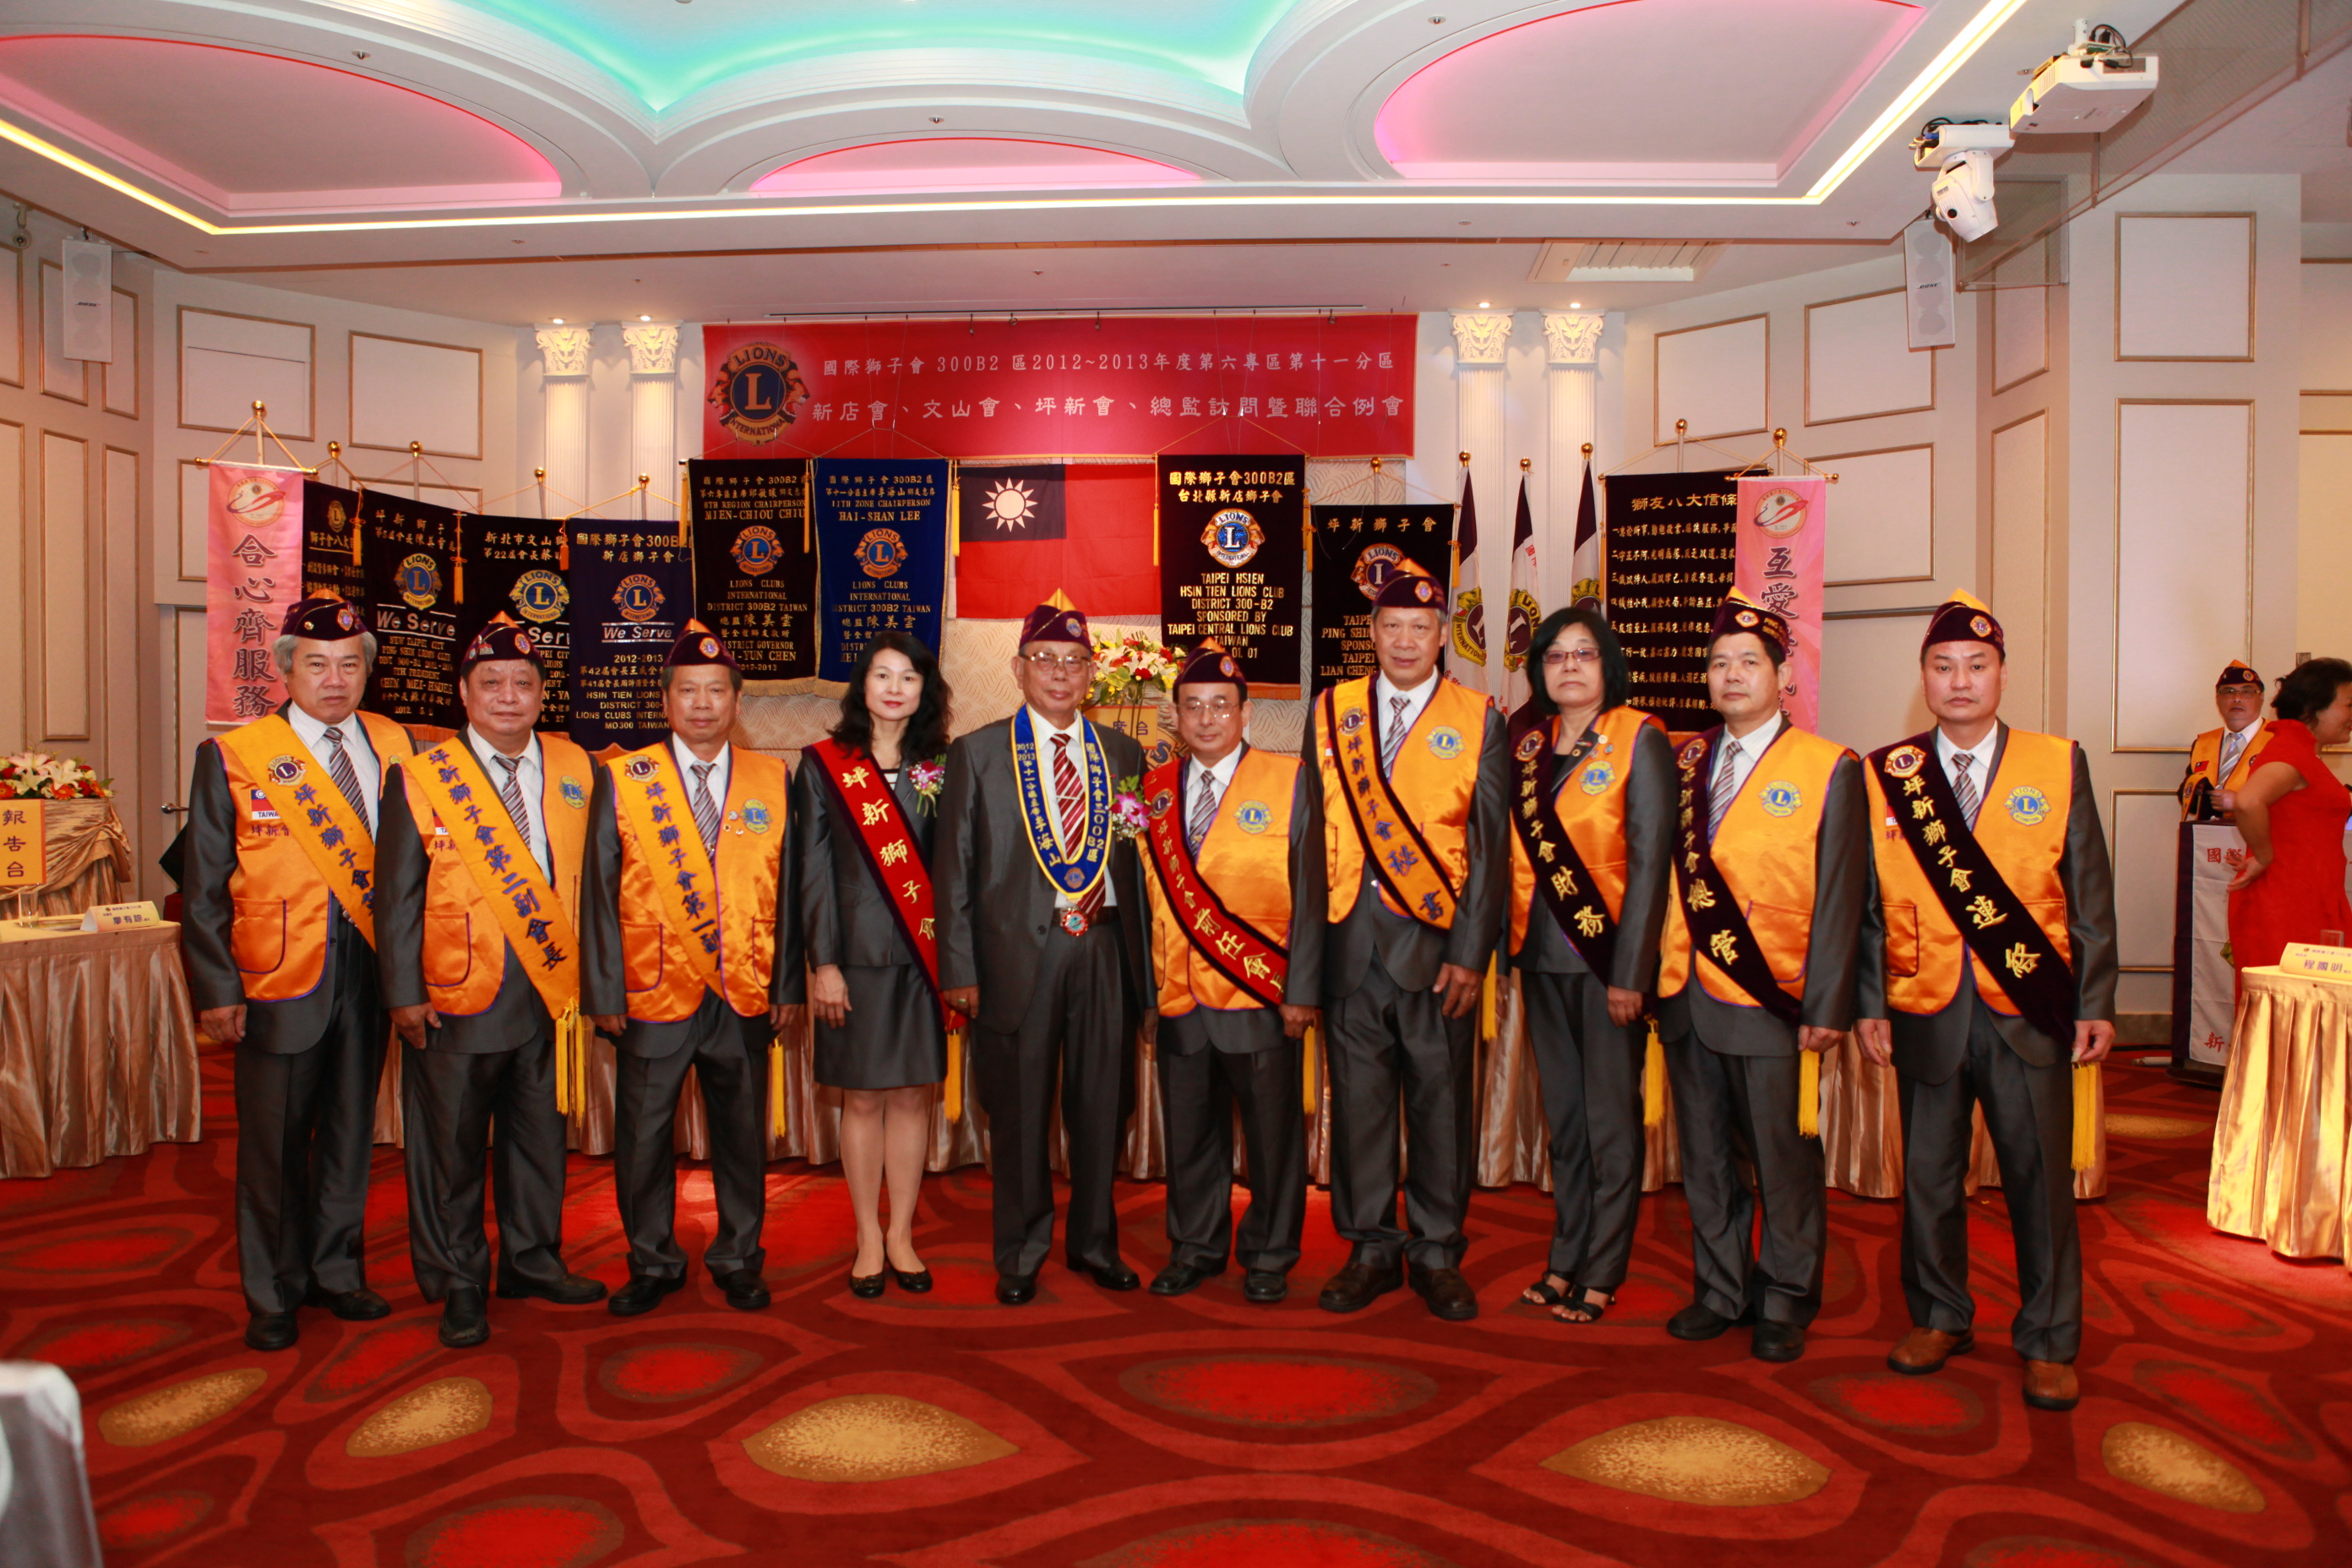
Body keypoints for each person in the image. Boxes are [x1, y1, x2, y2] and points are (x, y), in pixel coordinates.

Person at [1855, 589, 2117, 1413]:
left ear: (2003, 673)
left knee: (2040, 1183)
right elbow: (1867, 904)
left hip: (2028, 1008)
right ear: (1924, 677)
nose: (1960, 680)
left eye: (1977, 665)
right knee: (1928, 1178)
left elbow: (2090, 892)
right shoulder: (1887, 773)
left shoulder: (2057, 762)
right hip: (1924, 1004)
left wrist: (2096, 999)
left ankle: (2048, 1339)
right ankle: (1939, 1316)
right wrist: (1869, 1001)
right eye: (1943, 666)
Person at [182, 595, 414, 1351]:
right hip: (276, 977)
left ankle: (336, 1272)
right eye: (316, 664)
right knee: (275, 1143)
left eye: (350, 665)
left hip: (371, 968)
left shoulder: (396, 745)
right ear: (285, 670)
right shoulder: (236, 755)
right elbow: (204, 888)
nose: (335, 679)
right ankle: (274, 1291)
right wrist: (217, 989)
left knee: (349, 1131)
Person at [376, 617, 607, 1346]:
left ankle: (533, 1259)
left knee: (539, 1136)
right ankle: (458, 1281)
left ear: (542, 693)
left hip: (552, 994)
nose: (508, 696)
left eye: (523, 683)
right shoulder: (421, 777)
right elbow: (397, 896)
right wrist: (402, 992)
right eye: (492, 682)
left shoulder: (577, 767)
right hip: (455, 994)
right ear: (464, 693)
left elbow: (601, 883)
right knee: (450, 1149)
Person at [1656, 591, 1868, 1364]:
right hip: (1686, 993)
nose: (1732, 675)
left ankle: (1785, 1295)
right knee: (1706, 1158)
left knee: (1782, 1159)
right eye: (1719, 663)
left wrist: (1829, 1005)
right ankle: (1721, 1289)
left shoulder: (1829, 767)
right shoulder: (1681, 761)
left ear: (1783, 677)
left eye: (1749, 662)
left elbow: (1844, 895)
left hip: (1774, 997)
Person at [581, 621, 803, 1318]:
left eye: (716, 691)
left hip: (746, 987)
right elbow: (598, 893)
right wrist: (602, 990)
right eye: (688, 691)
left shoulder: (774, 777)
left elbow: (792, 893)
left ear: (736, 701)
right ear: (666, 701)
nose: (702, 704)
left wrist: (788, 984)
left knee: (742, 1136)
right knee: (643, 1137)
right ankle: (651, 1260)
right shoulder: (623, 778)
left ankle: (739, 1257)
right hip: (651, 988)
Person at [1309, 564, 1509, 1321]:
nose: (1404, 640)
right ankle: (1369, 1249)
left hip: (1437, 954)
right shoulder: (1333, 711)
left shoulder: (1479, 716)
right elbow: (1309, 834)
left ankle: (1435, 1251)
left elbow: (1491, 849)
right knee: (1359, 1109)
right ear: (1371, 632)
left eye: (1420, 628)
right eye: (1391, 626)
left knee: (1439, 1106)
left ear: (1441, 635)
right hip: (1350, 946)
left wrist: (1471, 953)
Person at [938, 602, 1152, 1305]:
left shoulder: (1122, 754)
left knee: (1103, 1106)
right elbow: (955, 870)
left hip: (1105, 952)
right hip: (1017, 959)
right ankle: (1022, 1252)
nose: (1060, 673)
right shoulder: (978, 753)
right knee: (1021, 1112)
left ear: (1092, 674)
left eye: (1075, 662)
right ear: (1018, 668)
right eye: (1045, 660)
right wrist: (960, 970)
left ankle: (1095, 1243)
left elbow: (1138, 869)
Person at [1504, 606, 1674, 1326]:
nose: (1569, 666)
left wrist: (1631, 972)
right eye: (1555, 655)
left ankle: (1603, 1271)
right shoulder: (1527, 747)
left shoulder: (1641, 738)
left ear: (1608, 665)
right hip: (1540, 960)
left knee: (1609, 1125)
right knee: (1566, 1125)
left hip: (1606, 966)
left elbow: (1652, 860)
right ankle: (1564, 1259)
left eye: (1584, 653)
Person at [1139, 644, 1322, 1304]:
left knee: (1272, 1137)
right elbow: (1144, 902)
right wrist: (1146, 996)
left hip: (1262, 994)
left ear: (1246, 714)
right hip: (1179, 996)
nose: (1207, 718)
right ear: (1176, 716)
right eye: (1193, 706)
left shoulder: (1291, 779)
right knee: (1190, 1135)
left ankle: (1270, 1253)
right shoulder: (1153, 792)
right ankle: (1195, 1246)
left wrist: (1302, 990)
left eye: (1221, 705)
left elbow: (1314, 891)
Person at [792, 632, 954, 1298]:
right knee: (860, 1099)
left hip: (923, 959)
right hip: (853, 963)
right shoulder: (823, 765)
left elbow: (958, 868)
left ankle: (902, 1235)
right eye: (882, 675)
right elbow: (812, 873)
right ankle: (866, 1235)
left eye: (908, 677)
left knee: (913, 1097)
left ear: (925, 690)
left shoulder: (945, 764)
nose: (894, 688)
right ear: (862, 685)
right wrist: (823, 964)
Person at [2224, 657, 2352, 970]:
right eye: (2349, 705)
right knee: (2294, 996)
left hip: (2309, 894)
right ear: (2311, 708)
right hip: (2290, 901)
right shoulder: (2292, 750)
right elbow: (2248, 801)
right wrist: (2265, 857)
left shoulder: (2301, 750)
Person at [2179, 662, 2273, 820]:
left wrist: (2239, 802)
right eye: (2229, 692)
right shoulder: (2203, 743)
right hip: (2209, 833)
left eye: (2247, 692)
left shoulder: (2278, 739)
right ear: (2217, 699)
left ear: (2261, 697)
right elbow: (2188, 799)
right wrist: (2197, 792)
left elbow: (2294, 799)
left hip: (2259, 832)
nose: (2237, 699)